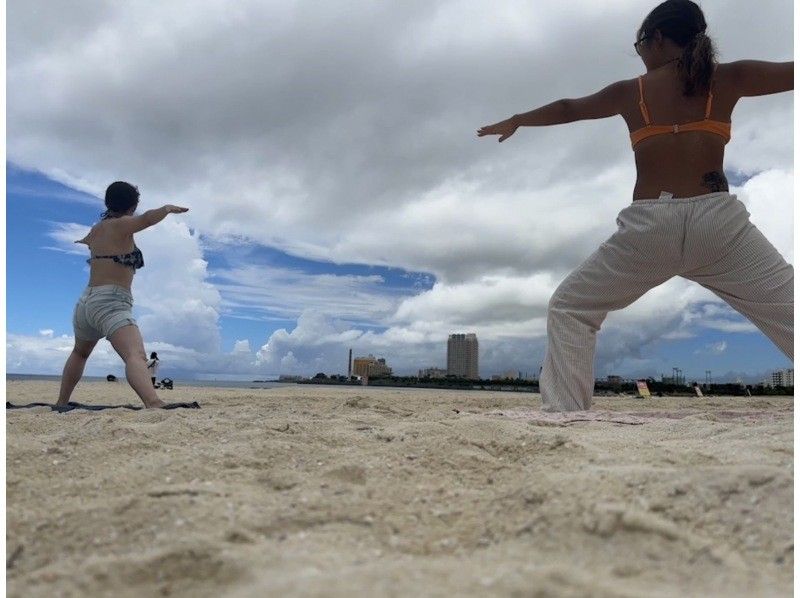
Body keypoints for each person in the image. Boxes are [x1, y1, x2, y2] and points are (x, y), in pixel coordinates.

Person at [478, 0, 793, 411]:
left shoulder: (633, 92)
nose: (640, 54)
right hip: (719, 227)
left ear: (657, 39)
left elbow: (570, 108)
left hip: (651, 227)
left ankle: (566, 416)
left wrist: (518, 118)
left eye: (640, 44)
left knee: (571, 306)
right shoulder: (728, 78)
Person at [57, 181, 189, 409]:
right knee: (135, 355)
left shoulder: (98, 229)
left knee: (80, 353)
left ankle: (61, 402)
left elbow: (90, 241)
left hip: (86, 303)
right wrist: (166, 208)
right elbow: (146, 219)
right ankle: (153, 402)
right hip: (110, 302)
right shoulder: (121, 225)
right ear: (132, 205)